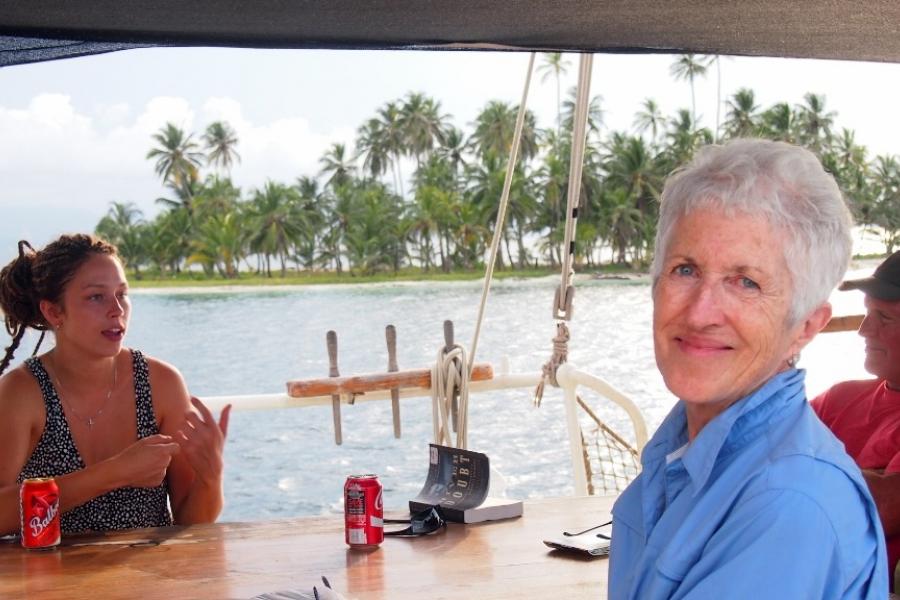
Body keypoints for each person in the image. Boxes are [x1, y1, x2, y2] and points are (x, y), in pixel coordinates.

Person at [608, 139, 886, 599]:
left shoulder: (789, 503)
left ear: (805, 326)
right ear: (654, 285)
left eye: (746, 282)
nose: (701, 313)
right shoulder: (677, 460)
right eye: (685, 270)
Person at [0, 234, 231, 534]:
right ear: (54, 311)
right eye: (96, 296)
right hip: (48, 578)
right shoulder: (21, 392)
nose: (117, 310)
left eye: (122, 294)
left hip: (148, 577)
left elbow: (191, 520)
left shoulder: (162, 383)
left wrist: (210, 477)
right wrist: (116, 472)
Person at [812, 250, 900, 590]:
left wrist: (795, 456)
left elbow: (877, 508)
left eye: (884, 318)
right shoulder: (840, 397)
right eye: (867, 314)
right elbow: (752, 441)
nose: (864, 330)